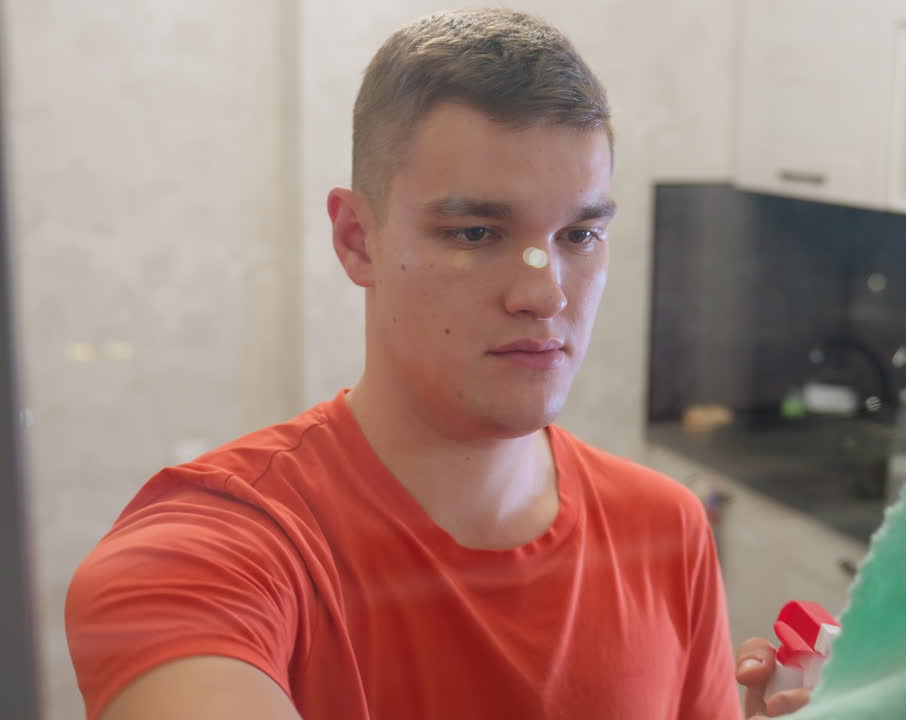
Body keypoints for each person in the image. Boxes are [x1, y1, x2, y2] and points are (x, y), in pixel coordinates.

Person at [65, 8, 809, 720]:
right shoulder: (214, 555)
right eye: (477, 231)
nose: (544, 292)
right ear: (358, 239)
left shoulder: (665, 530)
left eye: (580, 236)